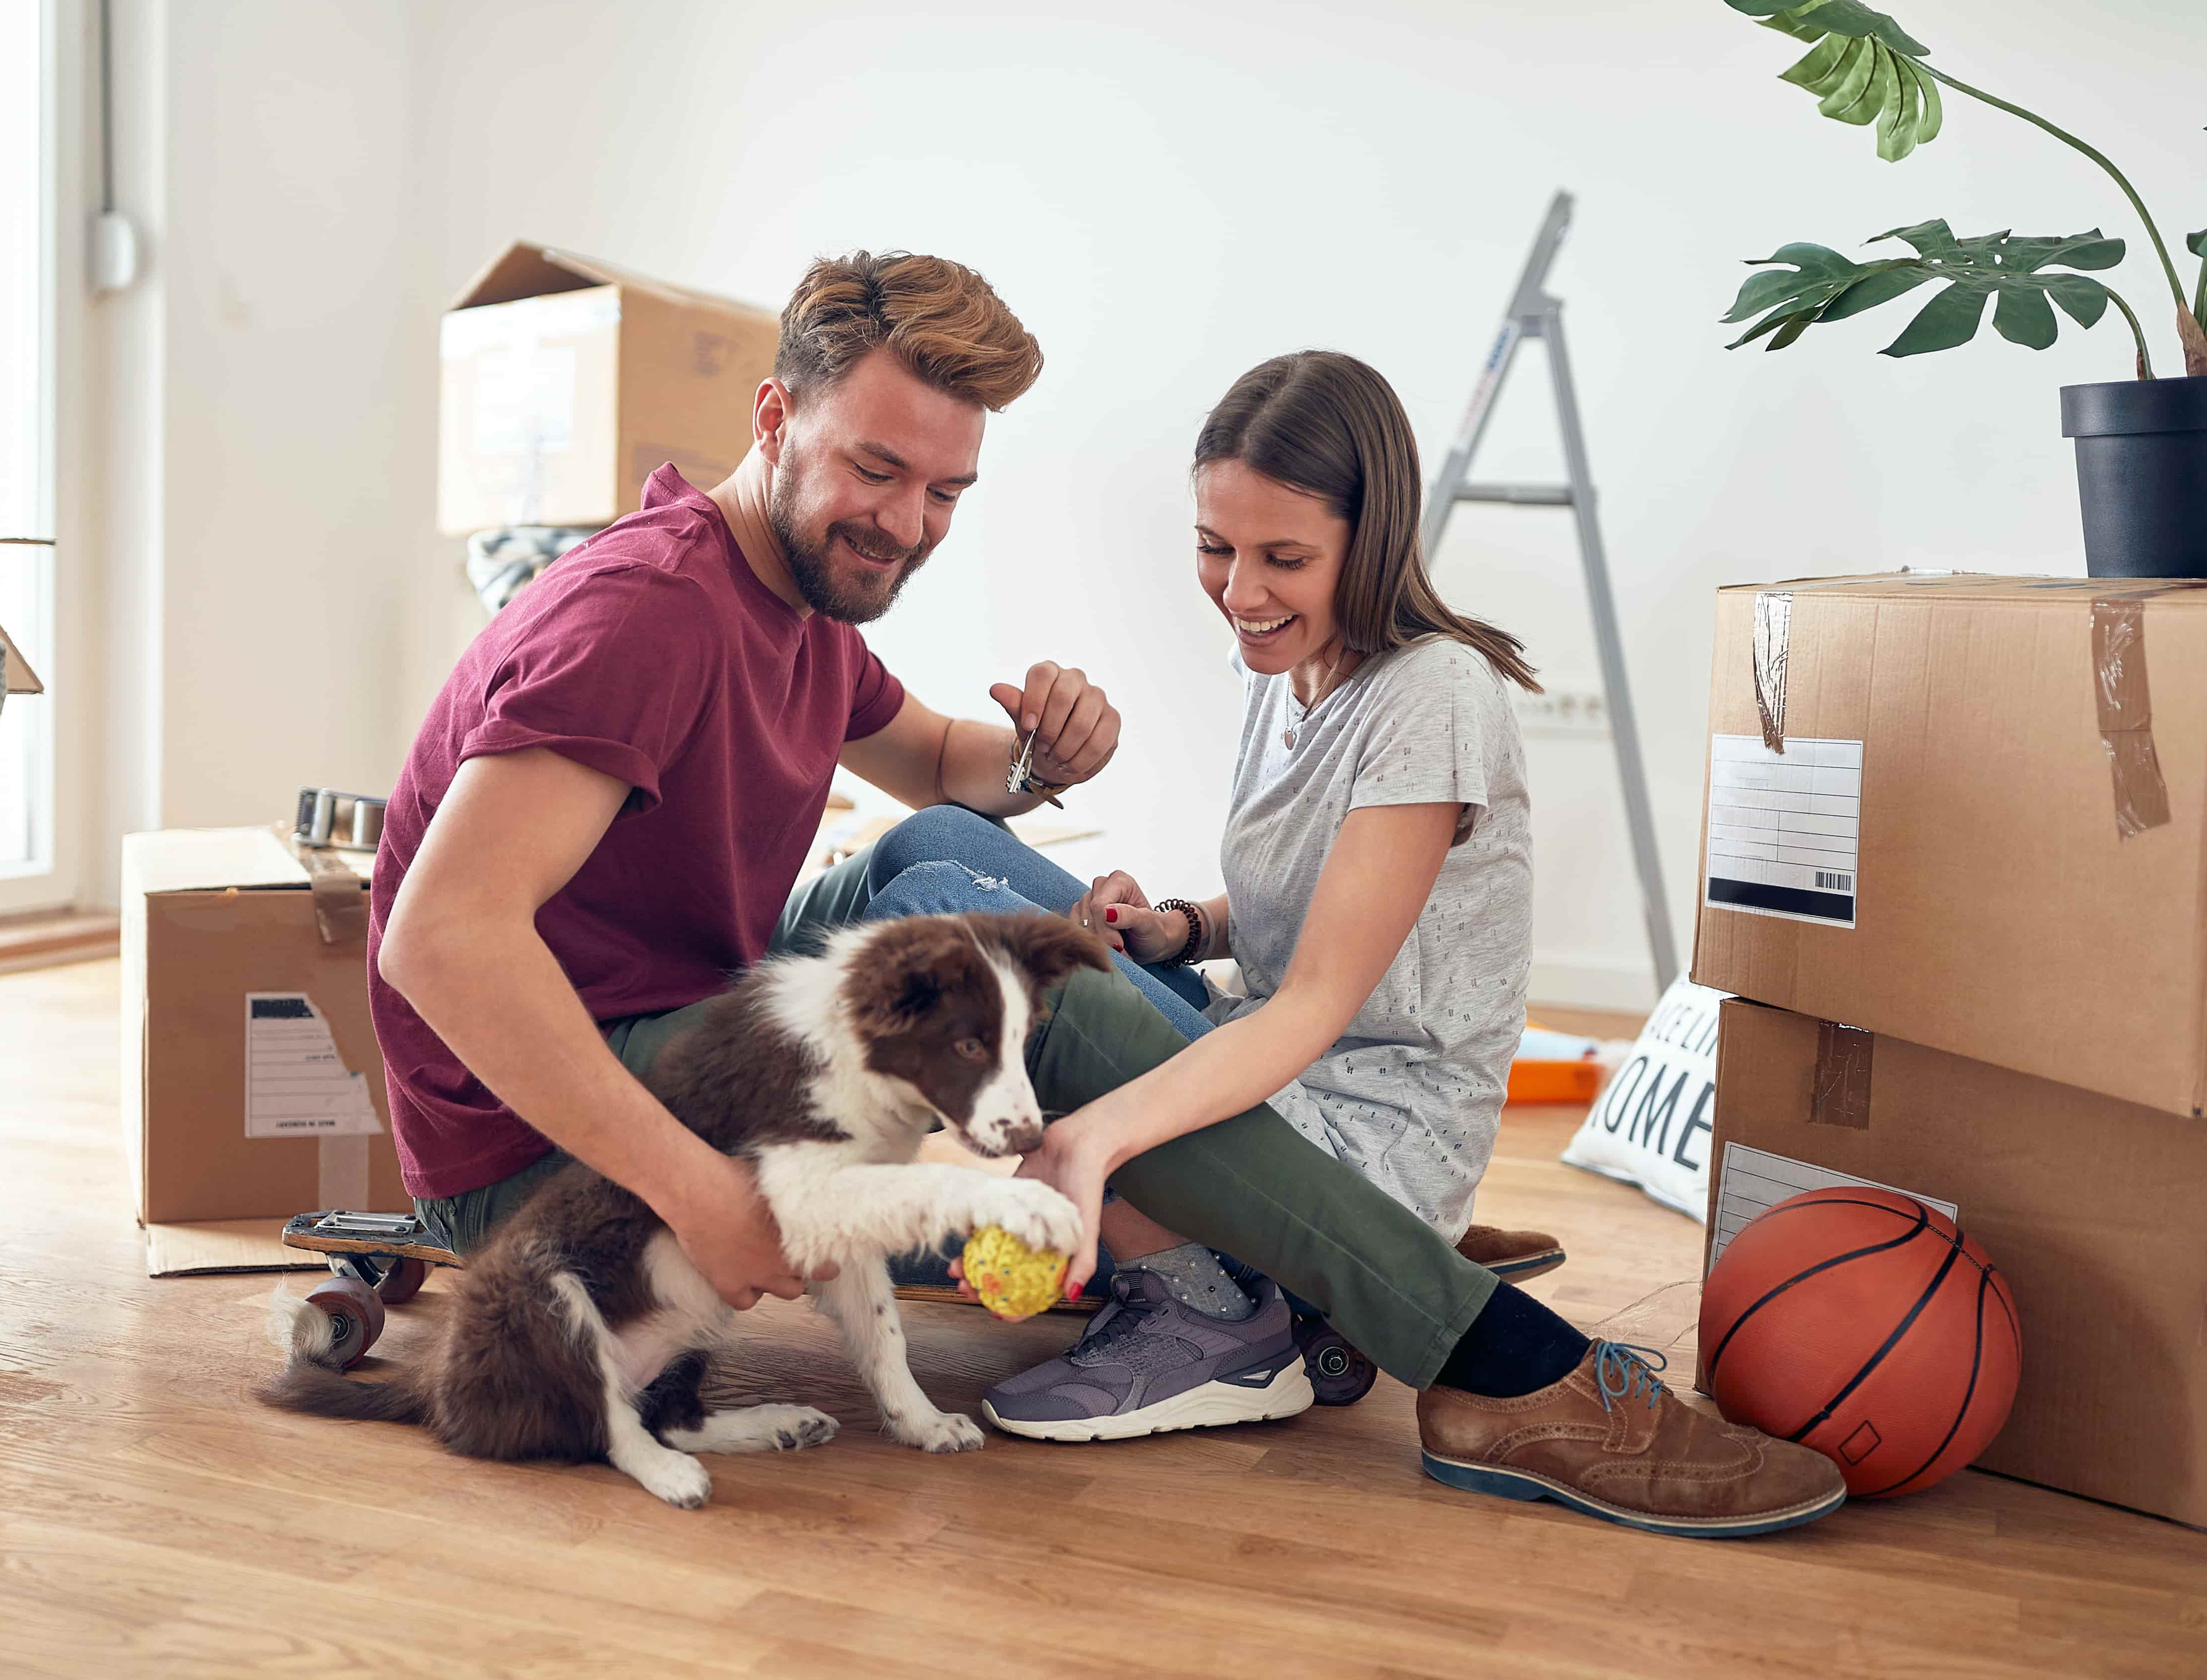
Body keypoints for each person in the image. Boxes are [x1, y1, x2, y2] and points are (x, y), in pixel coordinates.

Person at [370, 251, 1846, 1538]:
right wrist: (716, 1194)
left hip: (682, 1041)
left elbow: (942, 761)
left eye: (947, 488)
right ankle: (1497, 1365)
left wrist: (1037, 747)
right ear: (776, 417)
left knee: (923, 867)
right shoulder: (646, 617)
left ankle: (1277, 1220)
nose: (909, 520)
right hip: (540, 1171)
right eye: (876, 469)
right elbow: (442, 941)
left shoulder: (792, 593)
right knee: (996, 975)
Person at [852, 350, 1558, 1433]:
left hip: (1360, 1131)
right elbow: (1323, 895)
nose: (1239, 593)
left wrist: (1092, 1135)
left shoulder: (1435, 696)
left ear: (1370, 541)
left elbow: (1319, 998)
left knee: (965, 945)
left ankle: (1210, 1312)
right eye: (1213, 547)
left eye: (1283, 557)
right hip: (1265, 1048)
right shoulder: (1286, 669)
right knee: (934, 847)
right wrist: (1178, 929)